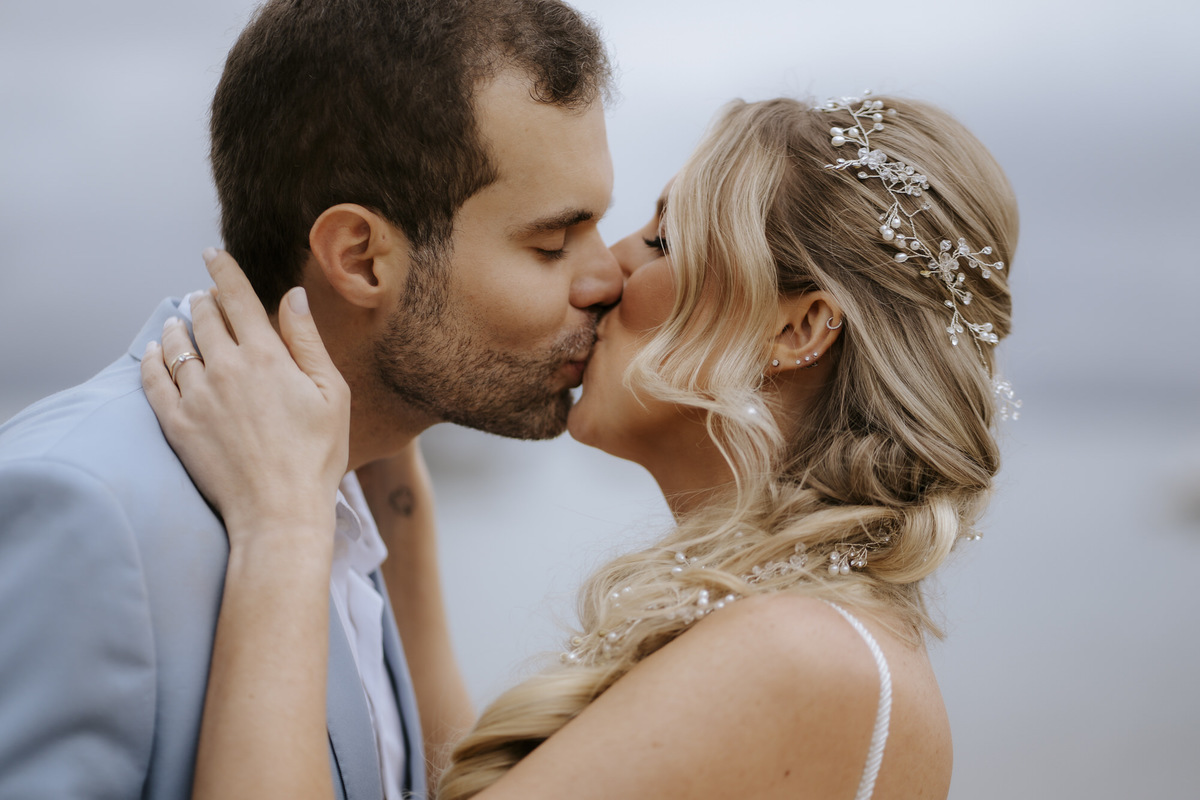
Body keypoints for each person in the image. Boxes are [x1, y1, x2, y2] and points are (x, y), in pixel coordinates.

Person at [145, 92, 1019, 799]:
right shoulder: (823, 639)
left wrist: (282, 526)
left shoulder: (797, 657)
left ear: (796, 328)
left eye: (663, 240)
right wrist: (390, 445)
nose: (606, 273)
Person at [0, 0, 619, 797]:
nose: (606, 278)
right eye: (552, 243)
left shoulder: (358, 486)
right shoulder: (86, 505)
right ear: (360, 259)